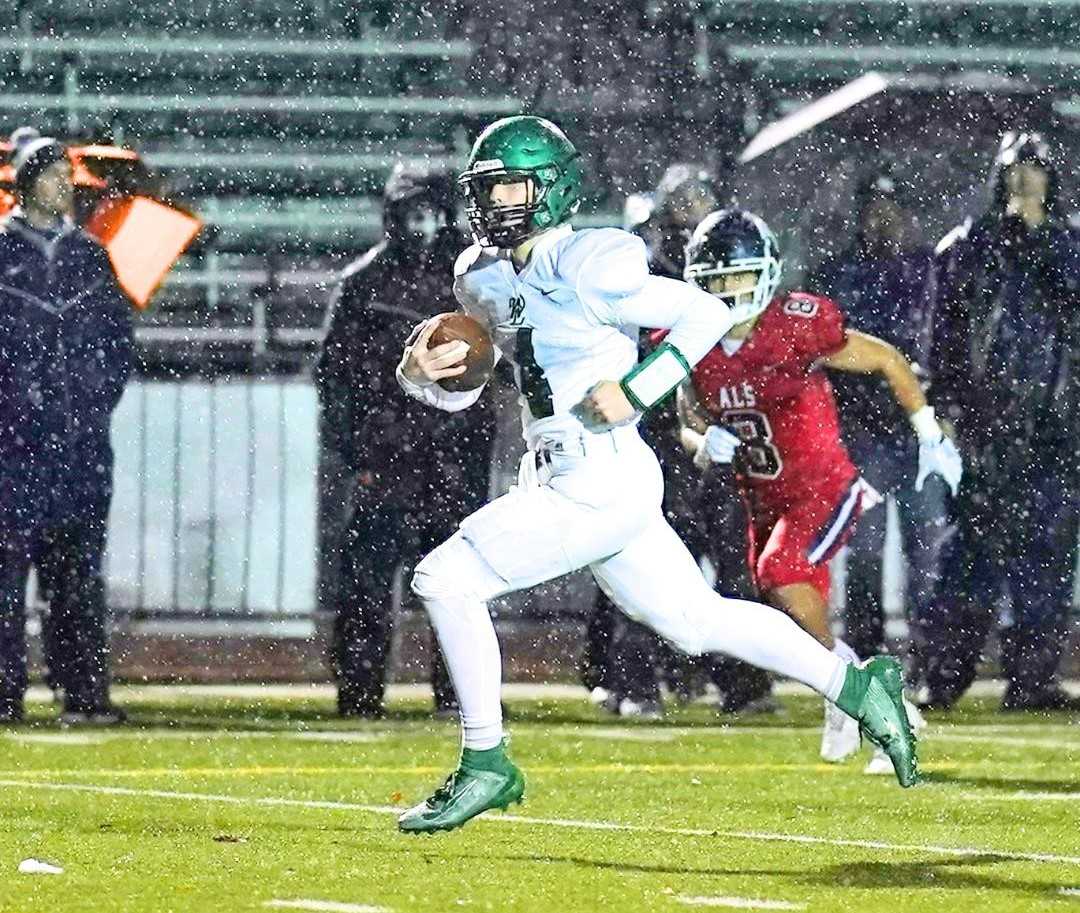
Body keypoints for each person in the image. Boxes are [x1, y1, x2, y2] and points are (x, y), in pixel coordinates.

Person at [393, 115, 919, 834]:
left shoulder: (592, 261)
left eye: (508, 185)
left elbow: (702, 311)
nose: (493, 202)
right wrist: (420, 372)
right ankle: (859, 686)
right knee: (696, 622)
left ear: (550, 190)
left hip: (598, 476)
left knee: (444, 579)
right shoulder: (480, 274)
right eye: (486, 188)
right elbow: (481, 381)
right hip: (570, 473)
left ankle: (486, 760)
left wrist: (637, 390)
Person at [674, 209, 961, 768]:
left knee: (782, 574)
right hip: (762, 497)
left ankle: (852, 691)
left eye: (739, 276)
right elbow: (687, 410)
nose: (729, 291)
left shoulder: (795, 325)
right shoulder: (689, 338)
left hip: (822, 486)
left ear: (767, 274)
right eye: (716, 278)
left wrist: (929, 432)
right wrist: (702, 441)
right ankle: (862, 693)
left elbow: (884, 358)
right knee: (780, 612)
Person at [314, 164, 495, 718]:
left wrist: (469, 441)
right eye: (412, 211)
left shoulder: (475, 280)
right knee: (366, 584)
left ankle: (459, 695)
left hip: (453, 455)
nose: (423, 224)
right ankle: (360, 694)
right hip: (387, 458)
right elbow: (335, 376)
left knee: (458, 585)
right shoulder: (364, 282)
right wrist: (357, 452)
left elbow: (499, 363)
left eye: (431, 212)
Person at [930, 131, 1080, 712]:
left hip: (1055, 426)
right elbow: (944, 334)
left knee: (1047, 555)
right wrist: (943, 408)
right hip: (986, 426)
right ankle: (944, 674)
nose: (1026, 178)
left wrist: (1041, 238)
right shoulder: (969, 246)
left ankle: (1033, 679)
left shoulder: (1068, 246)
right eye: (1017, 168)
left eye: (1036, 168)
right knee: (971, 553)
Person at [0, 130, 133, 725]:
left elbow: (116, 348)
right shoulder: (5, 254)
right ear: (29, 183)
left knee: (79, 575)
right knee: (6, 577)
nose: (66, 187)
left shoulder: (90, 256)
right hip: (12, 448)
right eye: (54, 175)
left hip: (79, 448)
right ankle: (6, 694)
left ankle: (83, 693)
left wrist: (87, 405)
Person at [808, 173, 952, 693]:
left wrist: (941, 403)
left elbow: (947, 342)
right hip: (863, 432)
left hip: (915, 430)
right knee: (866, 552)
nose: (882, 219)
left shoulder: (929, 268)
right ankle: (872, 659)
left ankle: (927, 661)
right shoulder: (838, 274)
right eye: (874, 208)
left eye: (891, 208)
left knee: (927, 550)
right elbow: (821, 354)